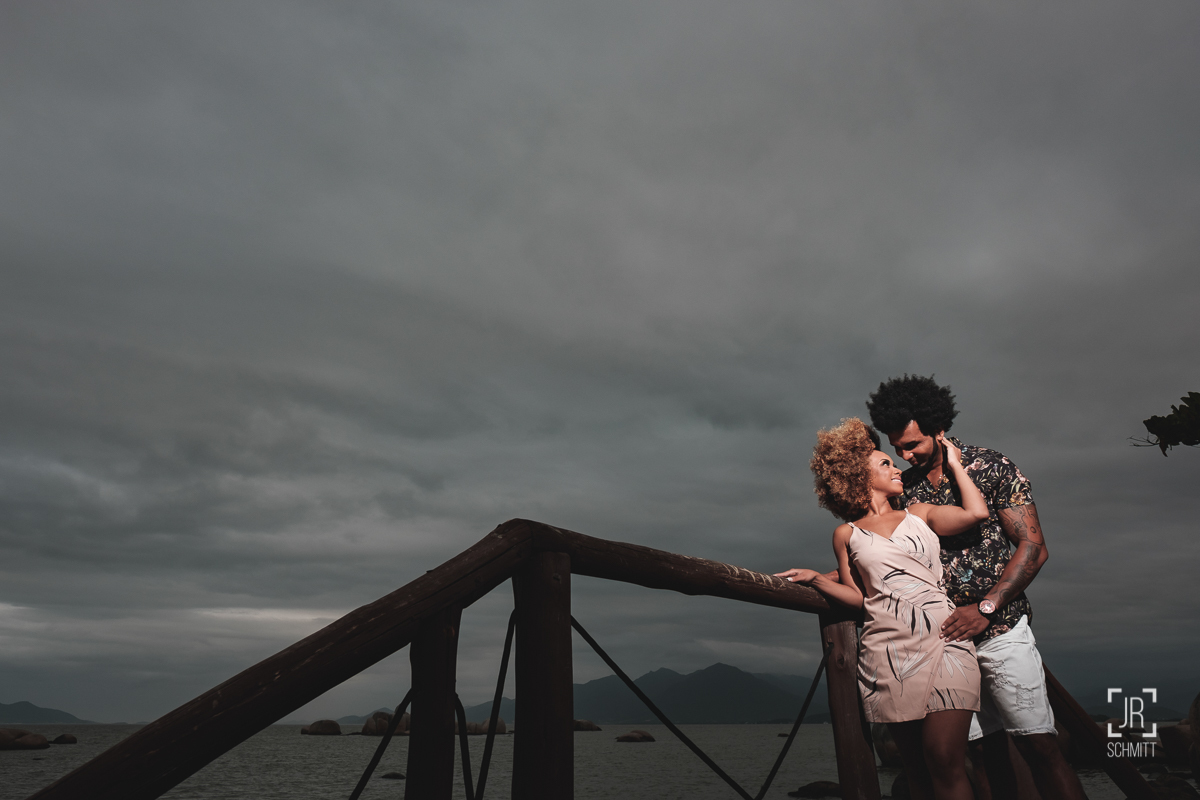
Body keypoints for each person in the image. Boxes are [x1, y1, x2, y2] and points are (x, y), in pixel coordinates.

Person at [866, 375, 1086, 800]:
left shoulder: (991, 466)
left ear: (938, 428)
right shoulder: (904, 490)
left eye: (912, 445)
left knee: (1040, 747)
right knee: (981, 755)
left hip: (1000, 628)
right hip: (946, 641)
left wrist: (986, 608)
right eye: (896, 448)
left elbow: (1034, 547)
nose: (904, 455)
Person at [776, 418, 990, 800]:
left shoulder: (920, 513)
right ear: (860, 477)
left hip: (946, 640)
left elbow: (976, 513)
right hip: (888, 653)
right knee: (916, 770)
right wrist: (818, 580)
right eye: (885, 464)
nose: (897, 468)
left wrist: (956, 464)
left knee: (944, 757)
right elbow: (860, 598)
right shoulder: (846, 534)